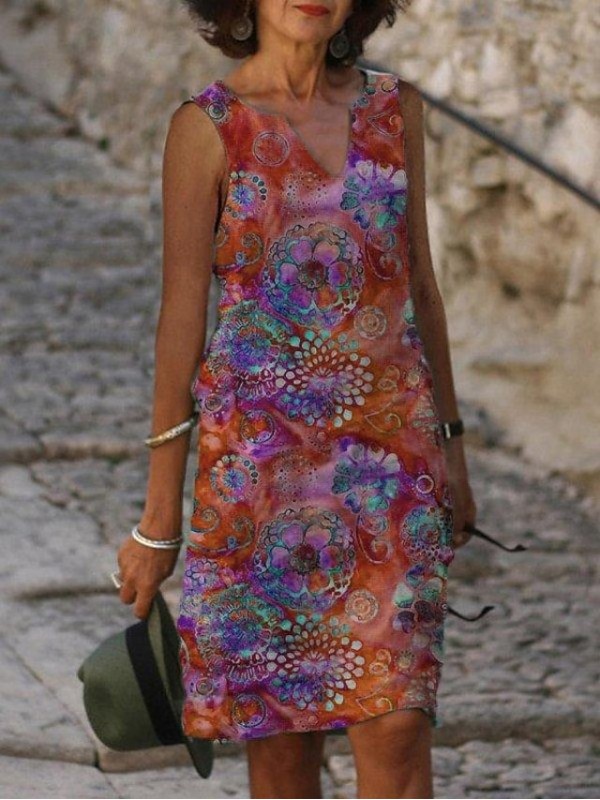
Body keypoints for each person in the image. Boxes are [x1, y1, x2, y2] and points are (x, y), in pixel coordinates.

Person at [116, 1, 477, 797]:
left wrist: (452, 447)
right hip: (257, 488)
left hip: (390, 476)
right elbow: (181, 321)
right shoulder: (206, 128)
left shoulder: (395, 110)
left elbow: (420, 283)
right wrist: (159, 517)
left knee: (400, 727)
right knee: (282, 755)